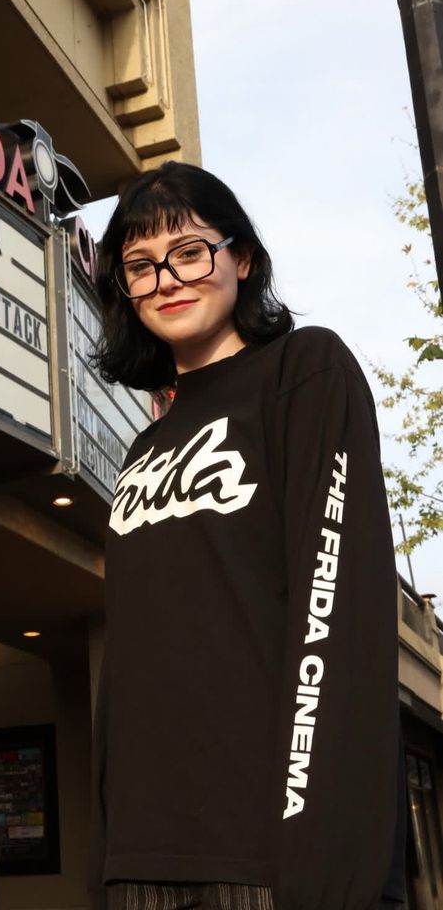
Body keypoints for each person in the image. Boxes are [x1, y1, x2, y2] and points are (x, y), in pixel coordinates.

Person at [89, 162, 406, 910]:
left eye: (189, 250)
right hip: (139, 856)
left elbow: (332, 607)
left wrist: (319, 857)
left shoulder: (304, 373)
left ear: (241, 258)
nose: (166, 277)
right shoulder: (143, 449)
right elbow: (130, 656)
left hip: (264, 851)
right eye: (140, 264)